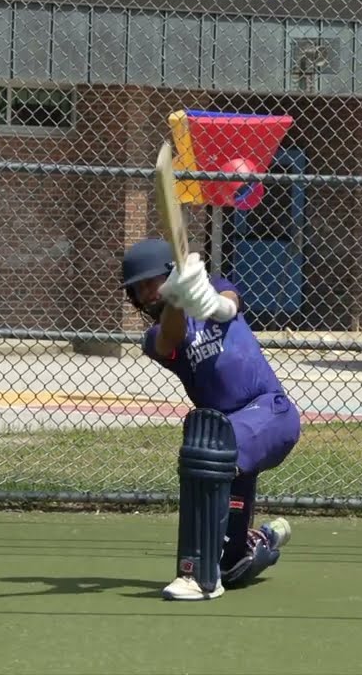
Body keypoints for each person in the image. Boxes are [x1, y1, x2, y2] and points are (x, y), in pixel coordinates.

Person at [120, 238, 301, 601]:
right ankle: (263, 538)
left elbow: (229, 305)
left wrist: (208, 300)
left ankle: (198, 577)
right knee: (233, 567)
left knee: (209, 446)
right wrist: (174, 298)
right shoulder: (155, 337)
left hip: (270, 411)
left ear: (171, 273)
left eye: (149, 283)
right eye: (138, 290)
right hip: (226, 438)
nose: (145, 294)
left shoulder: (214, 285)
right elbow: (172, 336)